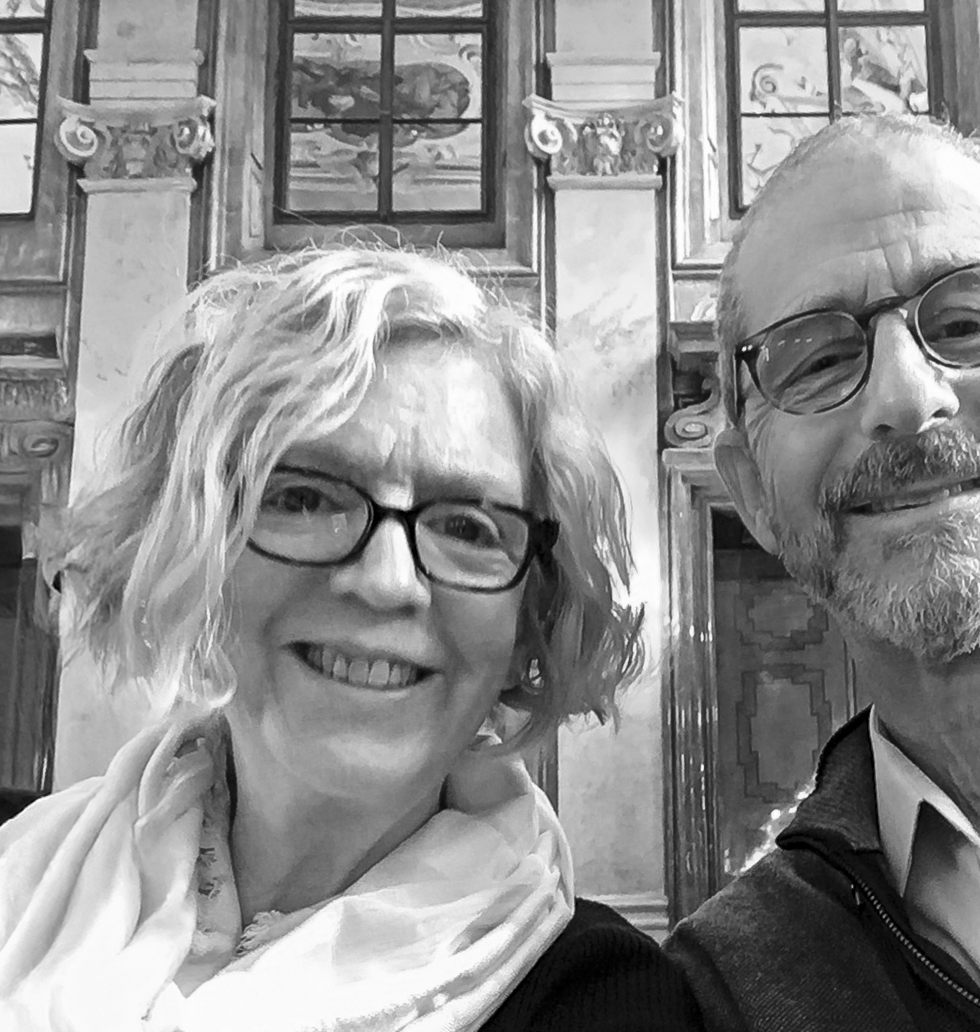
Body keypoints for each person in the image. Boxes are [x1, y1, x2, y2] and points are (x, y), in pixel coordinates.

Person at [0, 247, 705, 1032]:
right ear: (190, 550)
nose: (388, 580)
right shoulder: (18, 870)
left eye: (468, 526)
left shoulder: (605, 1002)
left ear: (528, 619)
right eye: (303, 497)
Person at [664, 114, 980, 1031]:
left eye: (969, 320)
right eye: (817, 360)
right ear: (753, 493)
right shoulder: (728, 986)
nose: (903, 395)